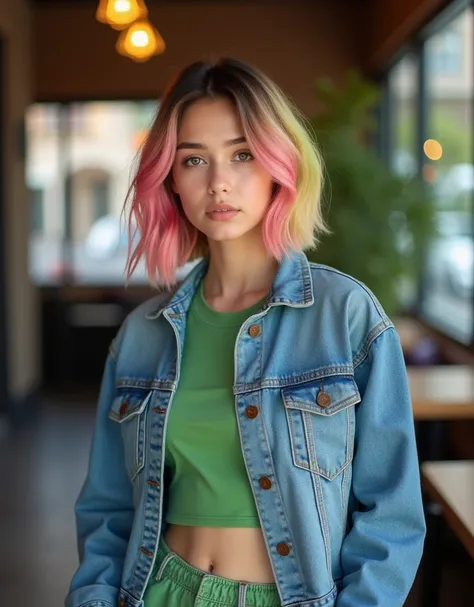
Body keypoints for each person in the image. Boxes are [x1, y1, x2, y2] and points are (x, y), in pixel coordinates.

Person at [65, 58, 426, 607]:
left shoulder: (347, 317)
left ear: (279, 163)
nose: (219, 183)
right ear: (171, 179)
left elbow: (391, 515)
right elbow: (108, 510)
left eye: (242, 154)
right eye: (194, 160)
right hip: (159, 590)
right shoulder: (142, 335)